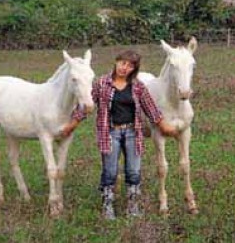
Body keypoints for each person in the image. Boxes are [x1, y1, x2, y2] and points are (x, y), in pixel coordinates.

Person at [62, 50, 178, 220]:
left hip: (133, 132)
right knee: (110, 171)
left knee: (134, 170)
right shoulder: (101, 84)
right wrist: (72, 124)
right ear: (116, 62)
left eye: (130, 66)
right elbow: (86, 107)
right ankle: (107, 205)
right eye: (123, 63)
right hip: (110, 132)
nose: (125, 68)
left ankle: (133, 205)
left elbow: (151, 109)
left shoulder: (138, 86)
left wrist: (165, 127)